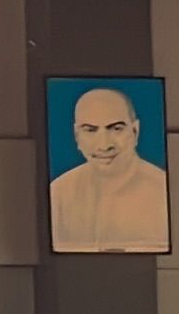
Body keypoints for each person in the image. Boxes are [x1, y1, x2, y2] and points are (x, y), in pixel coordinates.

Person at [48, 86, 171, 254]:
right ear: (77, 136)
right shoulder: (59, 193)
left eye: (116, 128)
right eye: (90, 130)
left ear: (135, 131)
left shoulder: (164, 192)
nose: (104, 145)